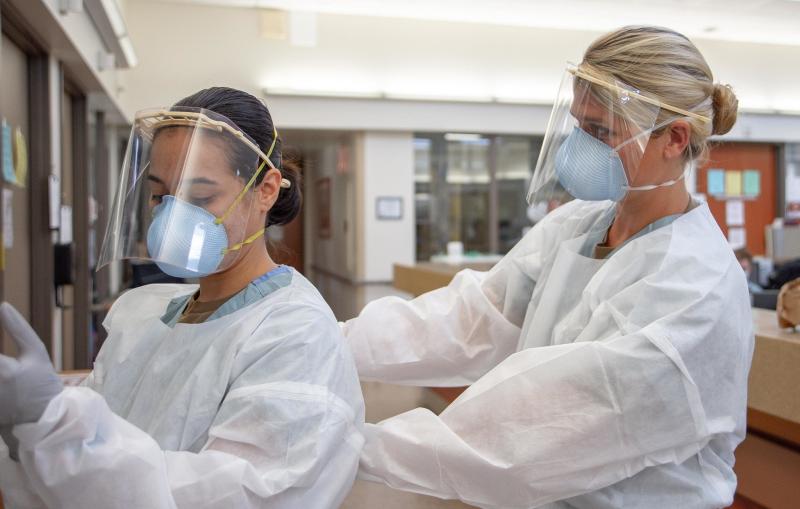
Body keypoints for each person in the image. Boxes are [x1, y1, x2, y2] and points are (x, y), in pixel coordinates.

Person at [343, 26, 753, 508]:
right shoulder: (578, 227)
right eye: (580, 127)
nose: (581, 148)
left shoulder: (693, 284)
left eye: (601, 132)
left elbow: (531, 434)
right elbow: (473, 319)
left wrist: (348, 447)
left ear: (674, 139)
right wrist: (325, 343)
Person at [0, 87, 364, 508]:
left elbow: (236, 495)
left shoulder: (293, 334)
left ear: (266, 190)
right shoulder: (144, 313)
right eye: (161, 196)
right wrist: (33, 425)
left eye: (201, 197)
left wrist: (54, 427)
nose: (173, 217)